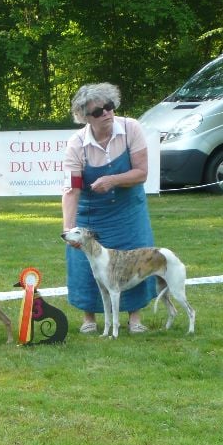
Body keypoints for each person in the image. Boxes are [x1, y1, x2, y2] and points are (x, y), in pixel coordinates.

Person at [61, 83, 155, 334]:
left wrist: (112, 180)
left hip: (128, 212)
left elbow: (142, 173)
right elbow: (72, 190)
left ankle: (135, 318)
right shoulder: (76, 144)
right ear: (85, 118)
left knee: (135, 259)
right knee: (85, 263)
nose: (106, 114)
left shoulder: (131, 128)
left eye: (109, 107)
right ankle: (88, 318)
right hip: (92, 213)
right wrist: (68, 227)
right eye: (97, 112)